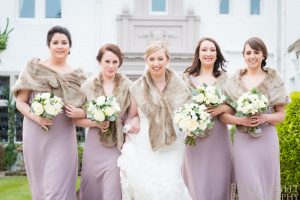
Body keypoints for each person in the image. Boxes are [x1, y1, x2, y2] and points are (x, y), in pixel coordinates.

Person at [13, 26, 87, 199]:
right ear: (48, 45)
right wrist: (36, 117)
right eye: (55, 42)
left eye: (64, 42)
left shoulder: (78, 77)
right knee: (40, 188)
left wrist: (80, 112)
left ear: (70, 46)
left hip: (63, 136)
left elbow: (87, 109)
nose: (60, 46)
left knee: (57, 190)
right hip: (35, 134)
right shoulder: (34, 69)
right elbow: (20, 102)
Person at [117, 41, 192, 200]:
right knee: (150, 189)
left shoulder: (180, 86)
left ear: (167, 60)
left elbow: (188, 113)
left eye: (160, 58)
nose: (156, 63)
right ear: (146, 61)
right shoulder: (137, 87)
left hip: (174, 143)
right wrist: (133, 121)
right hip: (146, 143)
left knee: (171, 187)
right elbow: (131, 116)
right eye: (151, 59)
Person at [220, 37, 289, 200]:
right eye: (248, 52)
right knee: (247, 183)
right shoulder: (234, 81)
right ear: (243, 56)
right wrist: (240, 120)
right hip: (242, 140)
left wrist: (265, 117)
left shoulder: (274, 79)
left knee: (268, 183)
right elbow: (224, 116)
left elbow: (281, 115)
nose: (252, 56)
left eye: (256, 52)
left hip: (267, 139)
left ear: (263, 55)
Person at [75, 44, 131, 200]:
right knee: (92, 190)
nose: (111, 66)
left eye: (115, 62)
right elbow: (76, 120)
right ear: (99, 62)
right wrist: (96, 123)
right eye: (107, 61)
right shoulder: (88, 86)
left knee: (112, 191)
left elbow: (133, 114)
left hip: (116, 145)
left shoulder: (128, 86)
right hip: (94, 144)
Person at [181, 37, 234, 200]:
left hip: (218, 136)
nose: (208, 53)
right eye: (204, 50)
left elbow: (234, 104)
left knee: (219, 179)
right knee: (196, 182)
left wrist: (221, 108)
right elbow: (180, 104)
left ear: (217, 54)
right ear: (198, 54)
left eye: (212, 50)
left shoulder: (225, 78)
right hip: (194, 137)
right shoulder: (187, 77)